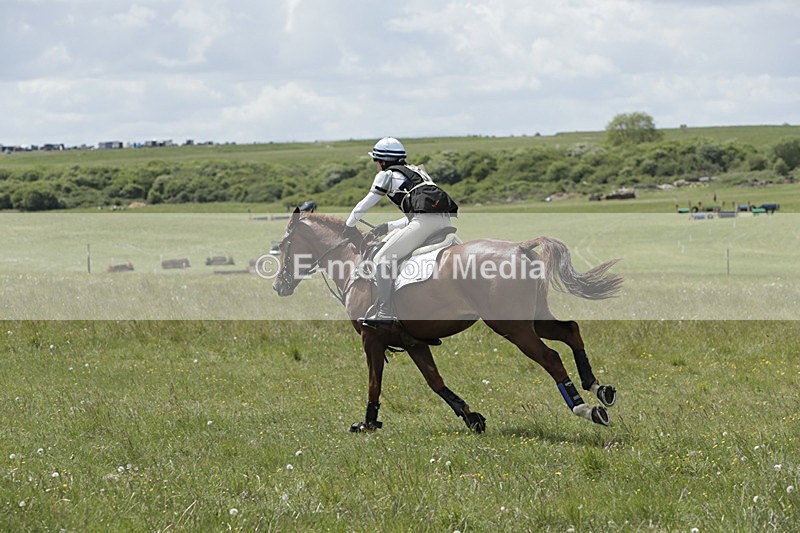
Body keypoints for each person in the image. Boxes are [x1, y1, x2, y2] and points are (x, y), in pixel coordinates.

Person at [343, 137, 458, 329]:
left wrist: (349, 224)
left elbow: (365, 204)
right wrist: (387, 226)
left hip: (425, 223)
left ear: (381, 161)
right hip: (443, 222)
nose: (378, 166)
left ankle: (385, 312)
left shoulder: (386, 175)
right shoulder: (417, 172)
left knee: (381, 259)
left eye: (377, 162)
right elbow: (418, 213)